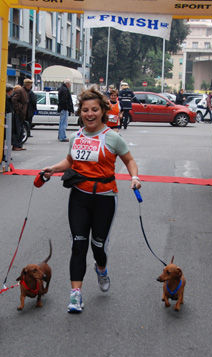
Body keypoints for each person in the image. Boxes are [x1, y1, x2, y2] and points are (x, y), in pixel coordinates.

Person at [39, 87, 141, 313]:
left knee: (98, 246)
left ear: (103, 111)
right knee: (78, 244)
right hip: (79, 196)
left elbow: (129, 160)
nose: (90, 114)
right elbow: (70, 162)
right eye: (85, 110)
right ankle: (75, 294)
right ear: (80, 112)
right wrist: (52, 169)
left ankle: (101, 269)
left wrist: (134, 177)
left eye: (94, 109)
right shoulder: (76, 137)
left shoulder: (113, 137)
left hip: (105, 198)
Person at [11, 81, 29, 151]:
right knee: (18, 129)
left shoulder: (24, 91)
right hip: (19, 113)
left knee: (21, 129)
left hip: (22, 113)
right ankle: (16, 145)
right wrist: (19, 108)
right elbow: (14, 100)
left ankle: (19, 144)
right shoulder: (21, 91)